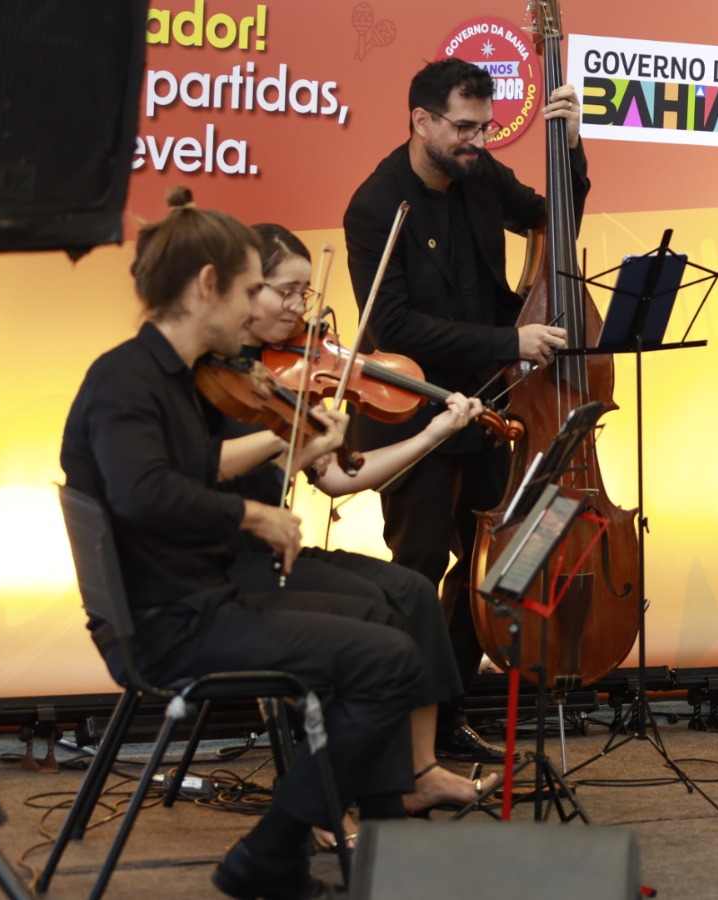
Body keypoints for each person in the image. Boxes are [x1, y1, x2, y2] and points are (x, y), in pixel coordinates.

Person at [60, 187, 422, 898]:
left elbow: (189, 472)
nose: (260, 308)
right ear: (207, 286)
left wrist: (292, 456)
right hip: (169, 625)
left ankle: (355, 839)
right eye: (252, 290)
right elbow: (145, 494)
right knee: (388, 661)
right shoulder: (124, 381)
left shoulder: (173, 381)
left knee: (382, 622)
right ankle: (270, 854)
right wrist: (255, 518)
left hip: (200, 600)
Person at [343, 58, 583, 762]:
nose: (479, 141)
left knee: (495, 567)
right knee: (418, 569)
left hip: (488, 411)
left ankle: (444, 717)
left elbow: (555, 219)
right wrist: (509, 341)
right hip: (414, 414)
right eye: (465, 127)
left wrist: (571, 146)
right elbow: (393, 326)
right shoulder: (375, 205)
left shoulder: (481, 174)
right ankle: (400, 734)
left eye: (486, 127)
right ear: (421, 121)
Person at [219, 223, 489, 841]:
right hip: (235, 563)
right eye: (286, 292)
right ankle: (323, 794)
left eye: (305, 294)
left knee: (413, 589)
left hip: (277, 553)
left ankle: (419, 771)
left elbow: (340, 479)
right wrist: (292, 432)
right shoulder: (222, 376)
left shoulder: (288, 378)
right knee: (367, 615)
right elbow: (208, 470)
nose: (299, 308)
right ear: (243, 287)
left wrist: (432, 435)